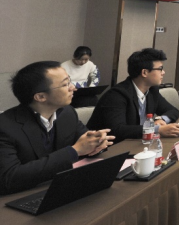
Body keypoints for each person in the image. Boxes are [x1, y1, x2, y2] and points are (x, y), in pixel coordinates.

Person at [0, 61, 114, 195]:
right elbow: (9, 178)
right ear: (40, 96)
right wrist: (74, 151)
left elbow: (85, 140)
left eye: (69, 81)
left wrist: (97, 143)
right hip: (21, 196)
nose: (73, 88)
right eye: (65, 84)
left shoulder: (67, 113)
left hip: (60, 187)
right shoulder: (5, 126)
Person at [88, 48, 179, 143]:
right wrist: (156, 129)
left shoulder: (152, 90)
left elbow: (173, 110)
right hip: (109, 146)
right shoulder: (116, 95)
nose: (163, 72)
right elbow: (118, 130)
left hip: (138, 142)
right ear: (144, 72)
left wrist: (161, 119)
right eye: (160, 69)